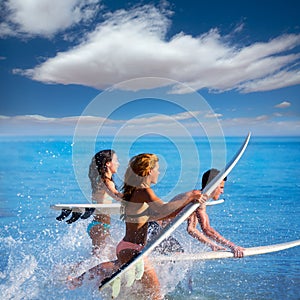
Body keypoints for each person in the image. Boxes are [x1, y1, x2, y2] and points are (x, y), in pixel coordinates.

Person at [68, 153, 206, 297]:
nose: (158, 172)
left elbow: (160, 214)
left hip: (128, 247)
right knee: (156, 295)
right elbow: (162, 209)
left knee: (126, 276)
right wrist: (190, 195)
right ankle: (79, 279)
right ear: (148, 171)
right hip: (133, 250)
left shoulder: (135, 191)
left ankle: (79, 280)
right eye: (157, 169)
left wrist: (184, 209)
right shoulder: (143, 191)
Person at [187, 168, 245, 258]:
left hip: (159, 230)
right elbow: (206, 229)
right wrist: (232, 246)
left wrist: (212, 245)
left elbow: (192, 229)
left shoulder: (200, 199)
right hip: (157, 229)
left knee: (177, 253)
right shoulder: (197, 198)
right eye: (221, 187)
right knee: (176, 254)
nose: (222, 191)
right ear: (212, 185)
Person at [87, 149, 123, 257]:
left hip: (100, 225)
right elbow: (116, 195)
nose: (118, 163)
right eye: (116, 160)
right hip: (100, 226)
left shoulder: (100, 181)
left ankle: (71, 271)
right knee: (100, 258)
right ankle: (70, 271)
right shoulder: (106, 182)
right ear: (108, 163)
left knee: (99, 258)